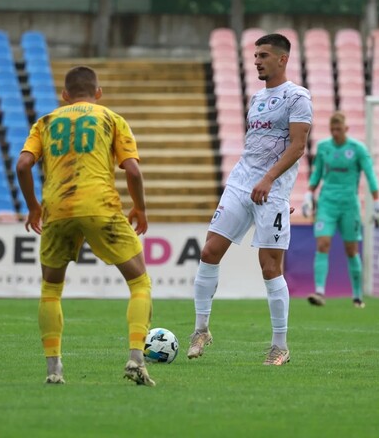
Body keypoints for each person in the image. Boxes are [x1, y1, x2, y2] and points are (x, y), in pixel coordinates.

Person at [16, 66, 156, 386]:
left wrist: (34, 207)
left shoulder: (46, 122)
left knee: (51, 290)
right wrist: (141, 208)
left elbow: (23, 164)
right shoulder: (110, 118)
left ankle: (54, 369)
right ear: (98, 93)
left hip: (58, 209)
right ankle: (136, 357)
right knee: (139, 283)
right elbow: (133, 171)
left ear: (64, 96)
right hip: (101, 207)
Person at [187, 33, 312, 366]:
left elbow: (298, 146)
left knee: (270, 268)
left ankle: (279, 346)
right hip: (241, 184)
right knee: (209, 251)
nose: (257, 60)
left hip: (270, 191)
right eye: (255, 55)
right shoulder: (257, 98)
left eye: (264, 55)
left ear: (282, 59)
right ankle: (201, 330)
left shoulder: (298, 97)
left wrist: (272, 183)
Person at [301, 111, 379, 309]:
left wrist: (377, 201)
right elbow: (317, 174)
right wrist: (308, 195)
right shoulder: (324, 148)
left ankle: (357, 296)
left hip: (349, 205)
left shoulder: (357, 149)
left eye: (339, 129)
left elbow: (370, 175)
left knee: (351, 250)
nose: (335, 133)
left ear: (346, 129)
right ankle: (320, 291)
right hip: (327, 203)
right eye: (333, 129)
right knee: (323, 243)